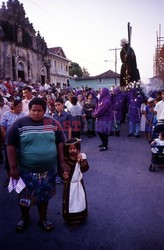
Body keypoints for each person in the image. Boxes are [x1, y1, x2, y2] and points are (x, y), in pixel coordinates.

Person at [6, 97, 69, 232]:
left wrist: (62, 161)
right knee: (24, 198)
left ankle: (43, 219)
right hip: (25, 171)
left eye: (39, 111)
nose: (36, 113)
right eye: (33, 110)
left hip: (48, 171)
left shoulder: (52, 123)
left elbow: (60, 141)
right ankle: (24, 218)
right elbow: (10, 144)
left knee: (44, 197)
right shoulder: (19, 124)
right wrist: (12, 168)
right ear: (29, 110)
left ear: (44, 111)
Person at [63, 138, 89, 225]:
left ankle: (81, 216)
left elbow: (85, 169)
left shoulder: (82, 156)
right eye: (70, 149)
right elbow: (62, 171)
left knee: (80, 201)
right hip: (69, 185)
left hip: (78, 184)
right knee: (70, 202)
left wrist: (81, 160)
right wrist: (64, 174)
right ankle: (70, 218)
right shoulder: (65, 159)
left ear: (78, 149)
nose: (72, 151)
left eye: (74, 148)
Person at [1, 100, 25, 187]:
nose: (20, 108)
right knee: (9, 160)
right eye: (18, 107)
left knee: (20, 159)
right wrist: (6, 138)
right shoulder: (6, 114)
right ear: (13, 107)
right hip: (9, 141)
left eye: (21, 107)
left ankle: (20, 177)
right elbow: (2, 127)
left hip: (20, 141)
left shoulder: (23, 115)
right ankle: (9, 178)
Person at [54, 97, 72, 183]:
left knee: (65, 157)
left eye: (59, 105)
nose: (57, 107)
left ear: (63, 104)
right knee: (58, 157)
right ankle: (58, 175)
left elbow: (69, 128)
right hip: (56, 140)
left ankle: (67, 173)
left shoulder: (68, 115)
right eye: (56, 105)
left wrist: (69, 140)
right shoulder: (54, 115)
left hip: (65, 139)